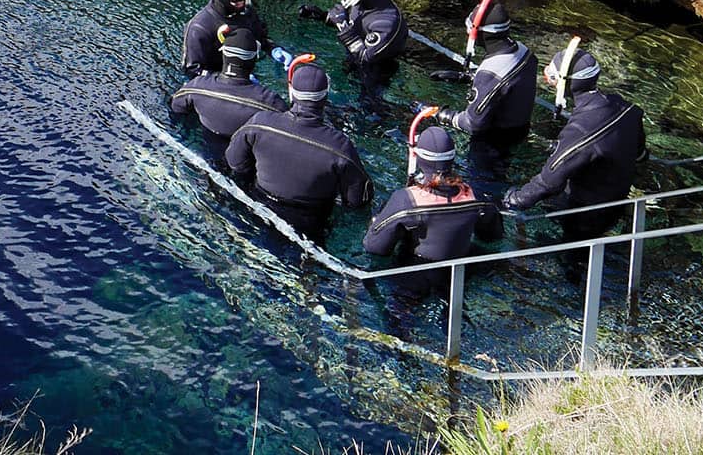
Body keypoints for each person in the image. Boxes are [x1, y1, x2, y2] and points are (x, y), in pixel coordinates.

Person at [502, 42, 646, 243]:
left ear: (565, 83)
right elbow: (640, 154)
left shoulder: (580, 130)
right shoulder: (626, 107)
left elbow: (548, 182)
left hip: (586, 214)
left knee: (573, 258)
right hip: (617, 199)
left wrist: (514, 200)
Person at [225, 56, 372, 240]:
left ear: (291, 92)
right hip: (309, 224)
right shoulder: (340, 147)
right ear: (325, 97)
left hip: (257, 206)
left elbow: (234, 161)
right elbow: (359, 199)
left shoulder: (260, 124)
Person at [363, 126, 503, 294]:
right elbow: (492, 236)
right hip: (460, 275)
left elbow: (375, 247)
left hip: (415, 275)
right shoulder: (477, 197)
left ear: (419, 158)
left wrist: (375, 221)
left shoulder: (405, 200)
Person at [424, 0, 537, 153]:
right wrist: (467, 77)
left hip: (494, 142)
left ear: (479, 32)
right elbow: (506, 85)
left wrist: (440, 114)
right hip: (519, 129)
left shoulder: (490, 73)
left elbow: (472, 124)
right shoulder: (525, 52)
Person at [169, 28, 286, 136]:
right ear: (254, 60)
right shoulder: (273, 104)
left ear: (223, 55)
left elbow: (176, 107)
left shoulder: (196, 87)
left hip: (207, 146)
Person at [182, 0, 270, 78]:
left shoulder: (248, 13)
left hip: (245, 73)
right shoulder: (199, 28)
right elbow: (191, 70)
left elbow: (261, 38)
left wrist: (274, 49)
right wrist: (226, 79)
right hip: (217, 80)